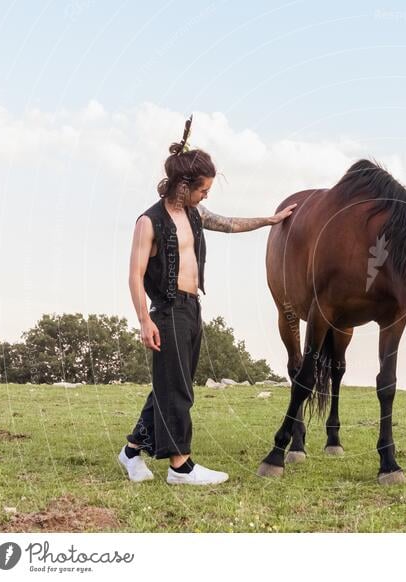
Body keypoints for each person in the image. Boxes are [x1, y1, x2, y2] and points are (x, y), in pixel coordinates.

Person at [118, 116, 297, 485]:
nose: (206, 196)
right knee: (177, 388)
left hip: (191, 308)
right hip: (165, 312)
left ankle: (132, 451)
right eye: (203, 189)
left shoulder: (195, 214)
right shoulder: (149, 222)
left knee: (171, 384)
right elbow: (134, 274)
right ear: (183, 186)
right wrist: (144, 320)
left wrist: (271, 219)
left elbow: (230, 224)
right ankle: (180, 467)